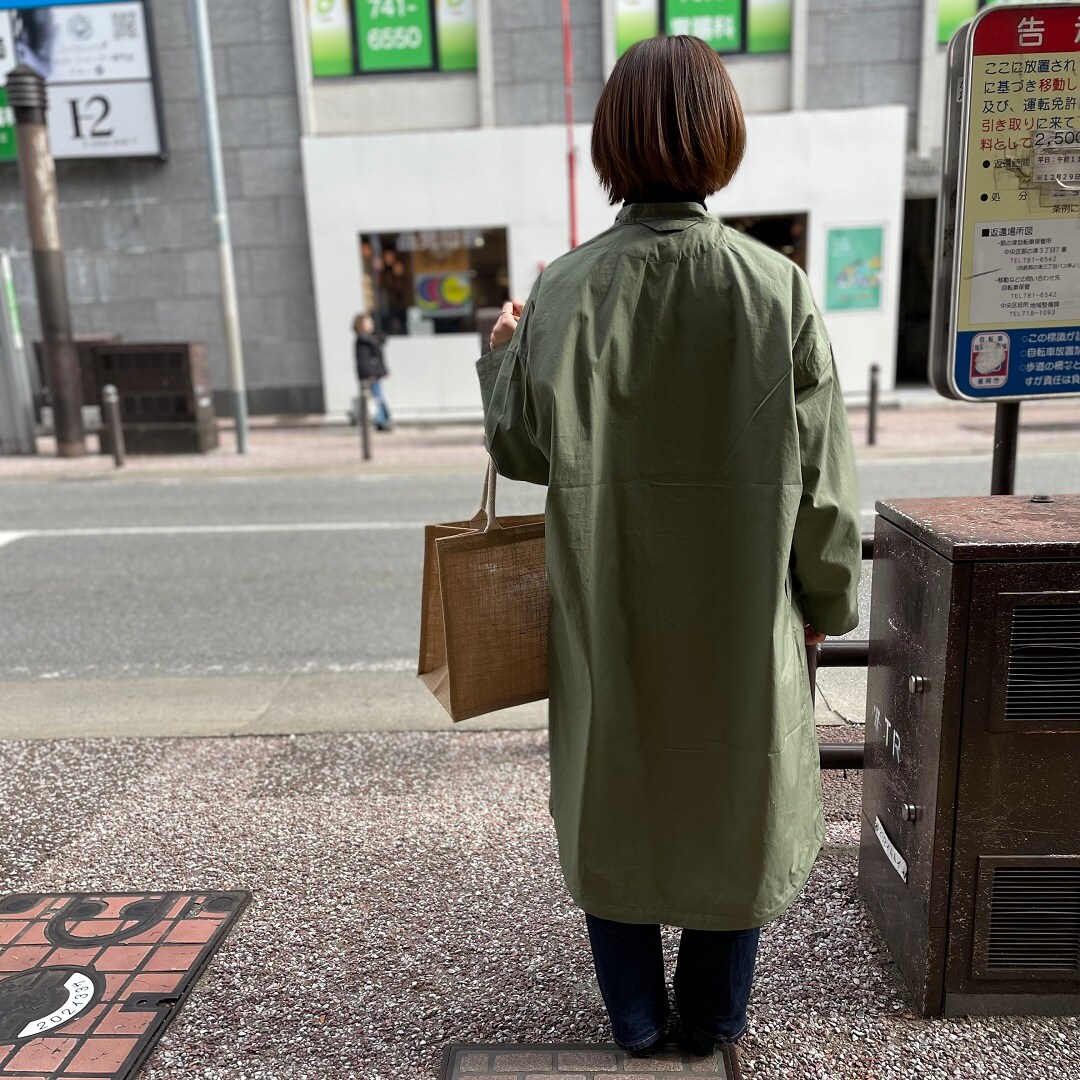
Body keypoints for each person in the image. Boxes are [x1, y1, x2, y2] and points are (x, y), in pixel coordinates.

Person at [477, 35, 861, 1077]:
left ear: (612, 147)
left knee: (618, 788)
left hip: (607, 605)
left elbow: (520, 450)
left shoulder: (564, 291)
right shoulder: (775, 289)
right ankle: (716, 1021)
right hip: (747, 608)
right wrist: (827, 598)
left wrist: (501, 350)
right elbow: (825, 486)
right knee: (740, 793)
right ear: (721, 139)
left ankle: (636, 1022)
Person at [353, 313, 392, 432]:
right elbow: (368, 358)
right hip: (371, 375)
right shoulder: (363, 339)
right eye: (368, 322)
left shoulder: (367, 339)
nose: (371, 324)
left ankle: (384, 419)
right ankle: (381, 420)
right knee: (376, 398)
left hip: (372, 374)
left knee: (378, 397)